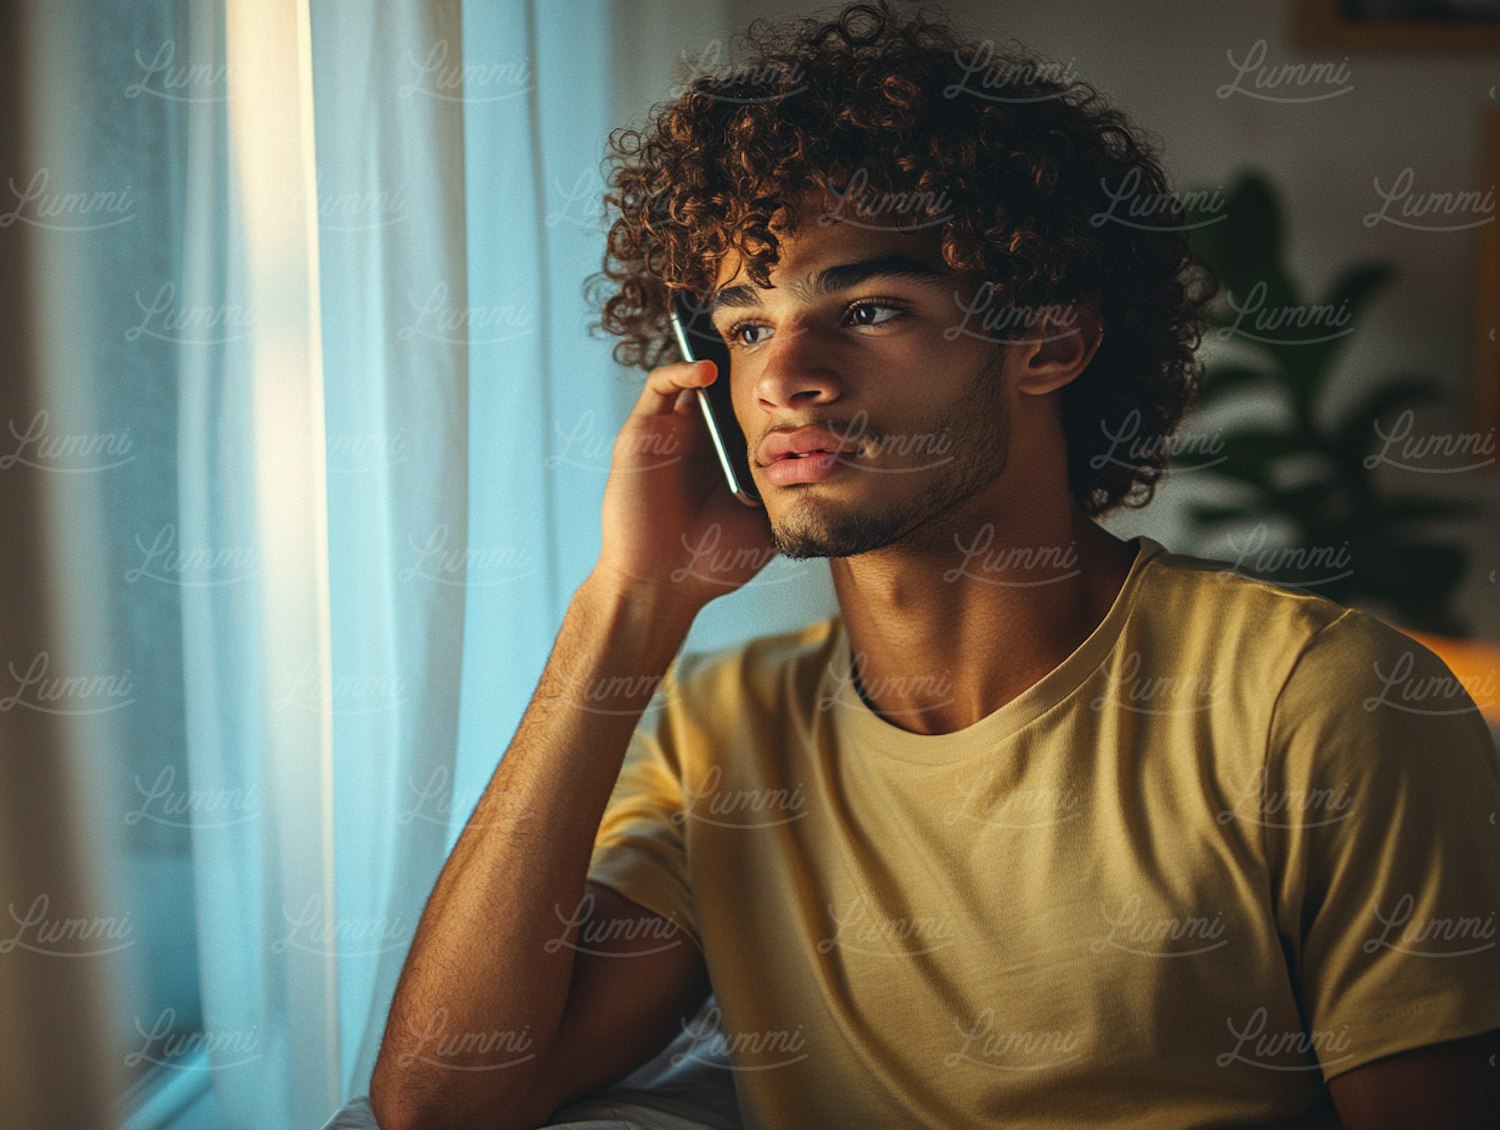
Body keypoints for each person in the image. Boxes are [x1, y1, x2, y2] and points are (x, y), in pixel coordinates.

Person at [368, 3, 1500, 1128]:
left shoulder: (1314, 697)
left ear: (1049, 341)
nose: (784, 379)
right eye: (748, 327)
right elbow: (443, 1097)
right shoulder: (724, 735)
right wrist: (627, 603)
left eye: (866, 307)